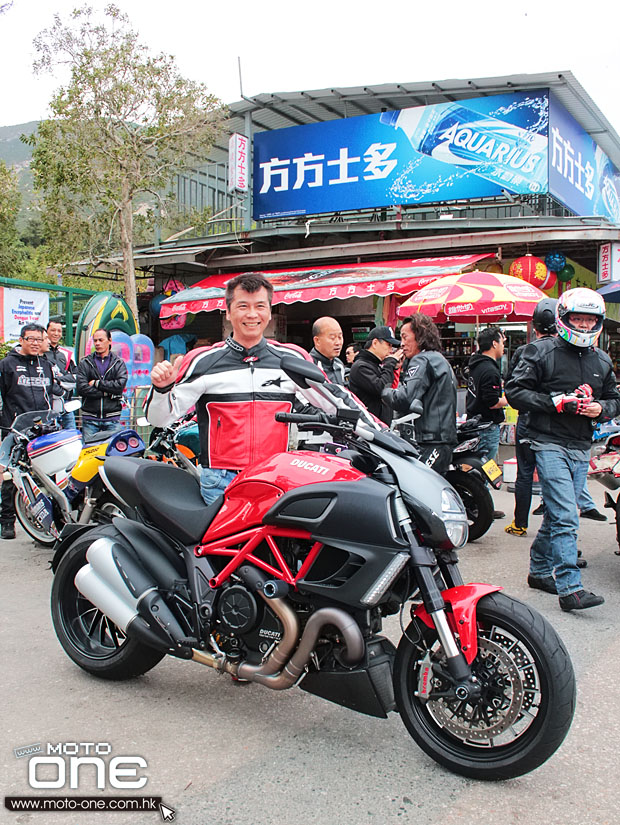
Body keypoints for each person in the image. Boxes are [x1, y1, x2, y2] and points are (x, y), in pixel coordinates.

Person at [145, 273, 321, 505]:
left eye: (260, 306)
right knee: (220, 543)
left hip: (273, 476)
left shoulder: (293, 359)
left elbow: (334, 401)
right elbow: (159, 419)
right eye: (242, 306)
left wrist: (377, 432)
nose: (252, 314)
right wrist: (161, 388)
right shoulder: (203, 360)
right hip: (220, 481)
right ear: (228, 312)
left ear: (269, 312)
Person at [505, 287, 620, 611]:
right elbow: (515, 391)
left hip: (582, 445)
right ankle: (570, 588)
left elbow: (614, 399)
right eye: (578, 320)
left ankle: (540, 571)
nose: (583, 326)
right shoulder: (540, 352)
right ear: (565, 319)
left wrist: (601, 408)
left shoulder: (602, 359)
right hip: (547, 441)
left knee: (558, 514)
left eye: (589, 321)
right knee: (567, 513)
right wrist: (553, 403)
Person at [504, 299, 556, 538]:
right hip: (559, 423)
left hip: (527, 420)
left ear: (535, 328)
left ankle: (520, 524)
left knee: (525, 473)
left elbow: (511, 388)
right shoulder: (569, 352)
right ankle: (556, 529)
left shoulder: (525, 351)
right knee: (556, 476)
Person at [0, 324, 57, 539]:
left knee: (48, 475)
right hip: (14, 431)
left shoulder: (46, 364)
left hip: (43, 430)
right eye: (30, 338)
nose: (34, 342)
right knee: (10, 477)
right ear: (22, 340)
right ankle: (6, 521)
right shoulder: (7, 365)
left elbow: (53, 394)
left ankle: (52, 518)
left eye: (38, 339)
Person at [381, 314, 457, 474]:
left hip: (432, 439)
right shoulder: (439, 359)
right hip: (444, 437)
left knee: (421, 490)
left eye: (405, 337)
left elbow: (404, 398)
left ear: (420, 336)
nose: (402, 344)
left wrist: (385, 390)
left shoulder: (421, 360)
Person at [465, 326, 508, 519]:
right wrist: (509, 399)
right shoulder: (490, 370)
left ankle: (483, 505)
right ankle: (478, 507)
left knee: (484, 468)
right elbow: (492, 402)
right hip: (486, 427)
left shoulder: (475, 365)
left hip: (476, 424)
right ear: (493, 344)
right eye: (502, 341)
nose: (504, 344)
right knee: (484, 469)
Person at [76, 328, 128, 440]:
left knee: (113, 453)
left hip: (112, 417)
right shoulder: (85, 362)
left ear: (109, 341)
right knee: (89, 452)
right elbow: (81, 388)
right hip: (90, 417)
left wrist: (96, 383)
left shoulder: (118, 363)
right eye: (95, 341)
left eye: (101, 340)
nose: (97, 343)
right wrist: (107, 393)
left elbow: (119, 386)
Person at [348, 326, 402, 424]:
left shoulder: (377, 364)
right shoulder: (361, 366)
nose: (391, 350)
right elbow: (382, 388)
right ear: (375, 343)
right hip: (367, 428)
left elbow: (391, 390)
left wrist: (394, 367)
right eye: (388, 345)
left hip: (382, 426)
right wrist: (389, 364)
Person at [42, 321, 77, 429]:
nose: (56, 333)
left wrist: (56, 380)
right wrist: (63, 379)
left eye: (59, 331)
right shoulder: (40, 352)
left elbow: (76, 377)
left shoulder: (67, 354)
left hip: (66, 403)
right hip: (47, 404)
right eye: (53, 330)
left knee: (72, 435)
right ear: (46, 332)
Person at [309, 317, 345, 385]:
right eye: (332, 338)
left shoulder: (339, 364)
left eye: (340, 337)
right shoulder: (309, 366)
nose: (338, 342)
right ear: (317, 341)